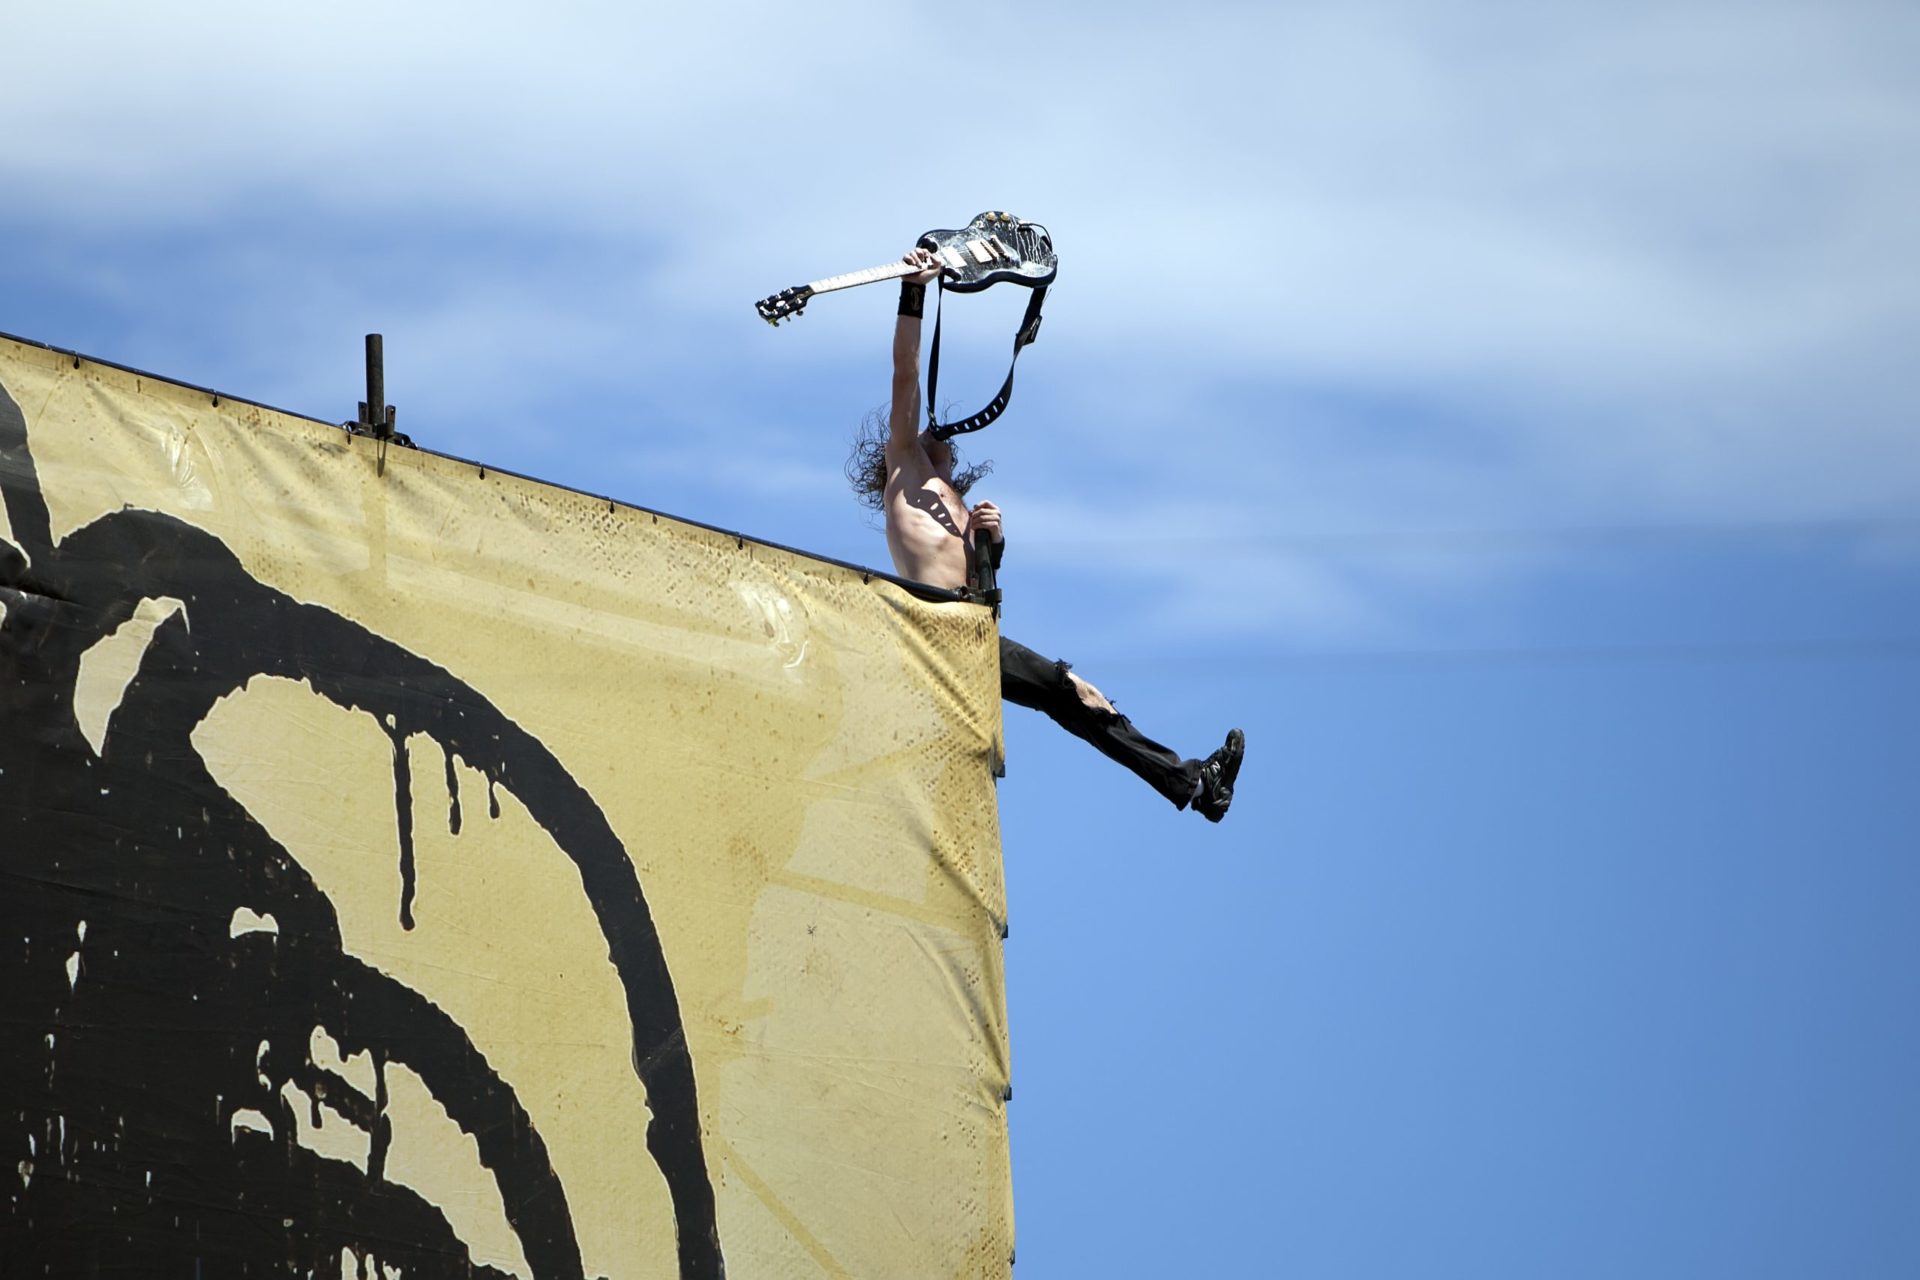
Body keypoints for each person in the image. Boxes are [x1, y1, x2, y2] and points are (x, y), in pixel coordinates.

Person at [846, 247, 1244, 821]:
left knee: (1081, 700)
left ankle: (1196, 787)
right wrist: (914, 290)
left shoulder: (952, 503)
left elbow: (981, 587)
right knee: (1071, 694)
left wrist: (993, 542)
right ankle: (1193, 784)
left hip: (973, 626)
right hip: (945, 629)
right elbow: (905, 371)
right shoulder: (904, 466)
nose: (941, 433)